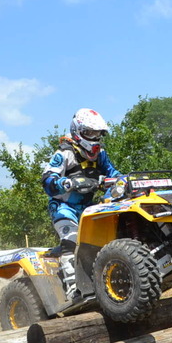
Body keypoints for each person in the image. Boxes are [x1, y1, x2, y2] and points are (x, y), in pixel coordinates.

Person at [42, 108, 123, 299]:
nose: (94, 138)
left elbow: (113, 172)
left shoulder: (100, 153)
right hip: (64, 207)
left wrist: (124, 180)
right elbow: (46, 180)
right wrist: (66, 182)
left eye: (97, 133)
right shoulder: (65, 153)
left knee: (105, 240)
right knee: (71, 240)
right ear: (78, 131)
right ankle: (72, 289)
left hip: (88, 208)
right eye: (90, 133)